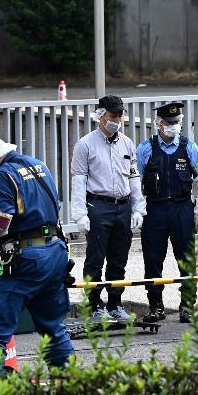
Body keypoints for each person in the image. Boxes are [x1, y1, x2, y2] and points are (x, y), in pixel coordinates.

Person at [0, 131, 76, 382]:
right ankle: (68, 385)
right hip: (55, 253)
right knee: (53, 326)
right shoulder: (38, 165)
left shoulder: (2, 176)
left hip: (25, 259)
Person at [69, 95, 146, 323]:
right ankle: (93, 305)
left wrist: (138, 207)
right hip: (98, 205)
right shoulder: (85, 145)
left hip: (123, 205)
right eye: (113, 116)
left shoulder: (127, 143)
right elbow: (78, 181)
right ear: (101, 116)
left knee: (118, 259)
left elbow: (134, 177)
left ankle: (115, 304)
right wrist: (80, 214)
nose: (117, 120)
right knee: (95, 258)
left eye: (120, 116)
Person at [135, 102, 198, 323]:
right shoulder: (146, 149)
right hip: (155, 209)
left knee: (186, 259)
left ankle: (187, 305)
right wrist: (138, 209)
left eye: (176, 123)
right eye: (169, 123)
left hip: (182, 208)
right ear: (159, 124)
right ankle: (155, 305)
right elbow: (135, 181)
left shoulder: (189, 147)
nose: (173, 126)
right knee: (153, 259)